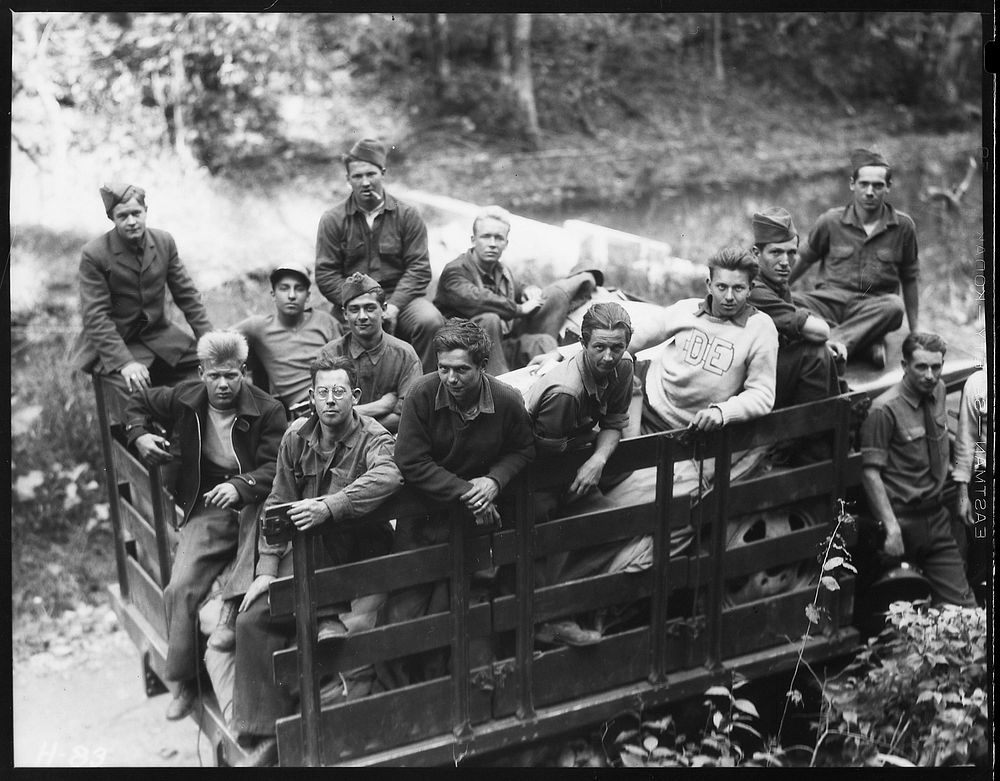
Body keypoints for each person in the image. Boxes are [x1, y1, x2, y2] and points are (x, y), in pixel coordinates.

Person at [231, 355, 403, 766]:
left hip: (362, 548)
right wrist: (266, 570)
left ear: (355, 396)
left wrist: (331, 506)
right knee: (251, 619)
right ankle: (263, 733)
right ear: (311, 396)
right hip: (311, 553)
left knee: (318, 525)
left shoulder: (374, 437)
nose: (330, 400)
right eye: (322, 392)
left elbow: (390, 475)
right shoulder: (296, 436)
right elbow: (277, 501)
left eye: (339, 392)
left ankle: (326, 615)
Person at [124, 331, 287, 721]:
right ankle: (184, 681)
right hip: (207, 506)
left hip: (256, 504)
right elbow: (137, 402)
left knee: (253, 591)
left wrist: (241, 486)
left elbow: (277, 466)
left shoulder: (267, 410)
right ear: (202, 373)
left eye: (231, 375)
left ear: (244, 373)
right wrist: (139, 434)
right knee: (180, 587)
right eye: (214, 376)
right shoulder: (185, 398)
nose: (223, 384)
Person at [378, 318, 535, 687]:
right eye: (443, 368)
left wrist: (495, 480)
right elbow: (412, 461)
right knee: (405, 613)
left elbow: (524, 449)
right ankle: (402, 696)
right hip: (425, 521)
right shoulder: (421, 394)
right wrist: (471, 492)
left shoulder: (507, 400)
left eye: (462, 370)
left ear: (482, 366)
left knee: (472, 609)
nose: (451, 379)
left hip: (478, 526)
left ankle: (470, 692)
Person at [524, 302, 635, 646]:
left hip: (572, 463)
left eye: (617, 347)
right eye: (599, 347)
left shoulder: (624, 367)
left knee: (610, 522)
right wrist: (581, 466)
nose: (608, 356)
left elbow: (615, 421)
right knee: (543, 537)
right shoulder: (566, 392)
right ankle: (541, 620)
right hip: (535, 472)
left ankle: (557, 609)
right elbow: (542, 456)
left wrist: (598, 459)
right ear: (584, 343)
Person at [860, 332, 976, 607]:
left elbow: (950, 443)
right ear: (904, 366)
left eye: (936, 367)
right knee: (898, 616)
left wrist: (961, 494)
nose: (930, 375)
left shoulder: (939, 390)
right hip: (901, 521)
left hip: (936, 518)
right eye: (921, 367)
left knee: (965, 611)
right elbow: (869, 473)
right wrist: (891, 528)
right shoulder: (883, 410)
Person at [315, 138, 445, 373]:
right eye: (357, 176)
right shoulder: (333, 219)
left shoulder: (407, 215)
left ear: (382, 173)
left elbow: (419, 268)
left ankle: (424, 390)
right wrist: (355, 302)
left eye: (371, 174)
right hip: (352, 299)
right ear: (348, 179)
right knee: (331, 329)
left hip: (399, 298)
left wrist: (393, 306)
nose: (365, 182)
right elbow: (326, 273)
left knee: (429, 321)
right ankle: (353, 397)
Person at [73, 183, 213, 395]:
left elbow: (187, 295)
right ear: (112, 218)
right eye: (123, 216)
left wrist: (209, 339)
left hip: (161, 338)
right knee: (137, 390)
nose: (131, 222)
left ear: (145, 211)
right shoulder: (95, 253)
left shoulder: (163, 241)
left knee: (212, 369)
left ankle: (191, 422)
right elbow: (95, 317)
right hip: (119, 345)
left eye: (136, 213)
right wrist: (125, 362)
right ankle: (143, 428)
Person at [787, 148, 919, 369]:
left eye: (877, 186)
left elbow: (910, 278)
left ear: (888, 187)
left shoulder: (904, 227)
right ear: (852, 185)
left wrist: (915, 333)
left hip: (872, 306)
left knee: (895, 307)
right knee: (789, 301)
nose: (869, 192)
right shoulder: (830, 221)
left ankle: (831, 342)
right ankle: (865, 344)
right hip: (828, 302)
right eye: (863, 184)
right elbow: (803, 260)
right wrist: (778, 290)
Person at [434, 205, 601, 374]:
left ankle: (554, 379)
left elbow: (517, 286)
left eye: (498, 238)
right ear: (473, 239)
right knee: (490, 319)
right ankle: (498, 382)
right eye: (486, 237)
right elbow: (478, 299)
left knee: (544, 339)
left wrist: (529, 289)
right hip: (463, 351)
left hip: (501, 343)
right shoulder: (455, 271)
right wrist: (519, 309)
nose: (492, 244)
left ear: (506, 243)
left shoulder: (501, 270)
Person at [748, 207, 842, 410]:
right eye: (775, 252)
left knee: (828, 354)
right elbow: (820, 331)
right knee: (815, 354)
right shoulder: (754, 289)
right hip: (747, 380)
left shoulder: (777, 282)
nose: (785, 262)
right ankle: (807, 435)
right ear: (756, 254)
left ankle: (832, 422)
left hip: (765, 368)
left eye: (791, 253)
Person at [230, 262, 341, 414]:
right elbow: (217, 339)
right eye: (284, 288)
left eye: (299, 289)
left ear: (308, 296)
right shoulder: (258, 326)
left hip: (335, 399)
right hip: (304, 411)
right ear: (273, 295)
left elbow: (345, 368)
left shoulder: (326, 322)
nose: (292, 295)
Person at [317, 273, 422, 434]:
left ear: (384, 309)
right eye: (354, 309)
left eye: (370, 308)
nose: (362, 316)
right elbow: (323, 414)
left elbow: (408, 418)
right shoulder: (331, 353)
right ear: (345, 314)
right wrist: (382, 406)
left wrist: (346, 415)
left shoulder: (405, 354)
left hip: (391, 442)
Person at [950, 367, 989, 599]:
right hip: (984, 477)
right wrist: (963, 492)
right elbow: (967, 441)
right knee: (980, 555)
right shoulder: (978, 384)